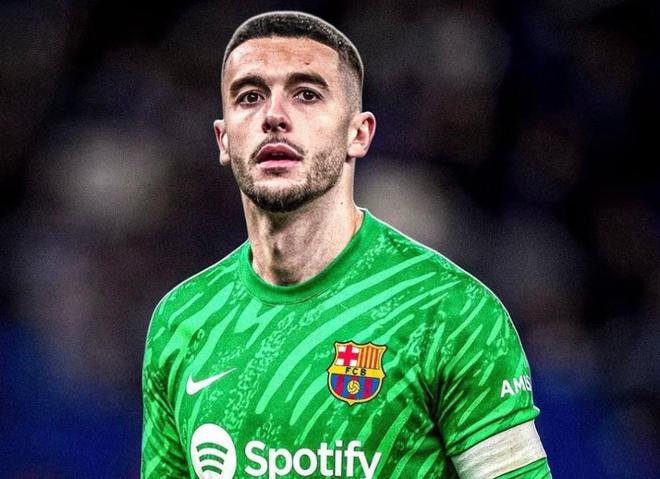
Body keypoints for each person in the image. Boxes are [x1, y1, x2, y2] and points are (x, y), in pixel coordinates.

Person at [141, 11, 552, 479]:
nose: (274, 117)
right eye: (250, 96)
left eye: (307, 94)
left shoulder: (451, 313)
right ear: (223, 138)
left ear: (358, 134)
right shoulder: (182, 321)